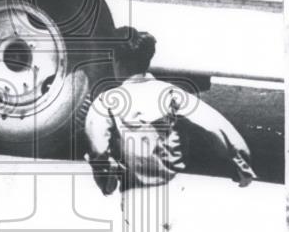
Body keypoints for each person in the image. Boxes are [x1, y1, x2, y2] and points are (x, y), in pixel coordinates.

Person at [82, 27, 256, 198]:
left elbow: (98, 146)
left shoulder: (107, 100)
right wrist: (242, 165)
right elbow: (215, 125)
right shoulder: (172, 93)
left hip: (135, 193)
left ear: (117, 62)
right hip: (173, 192)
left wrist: (106, 181)